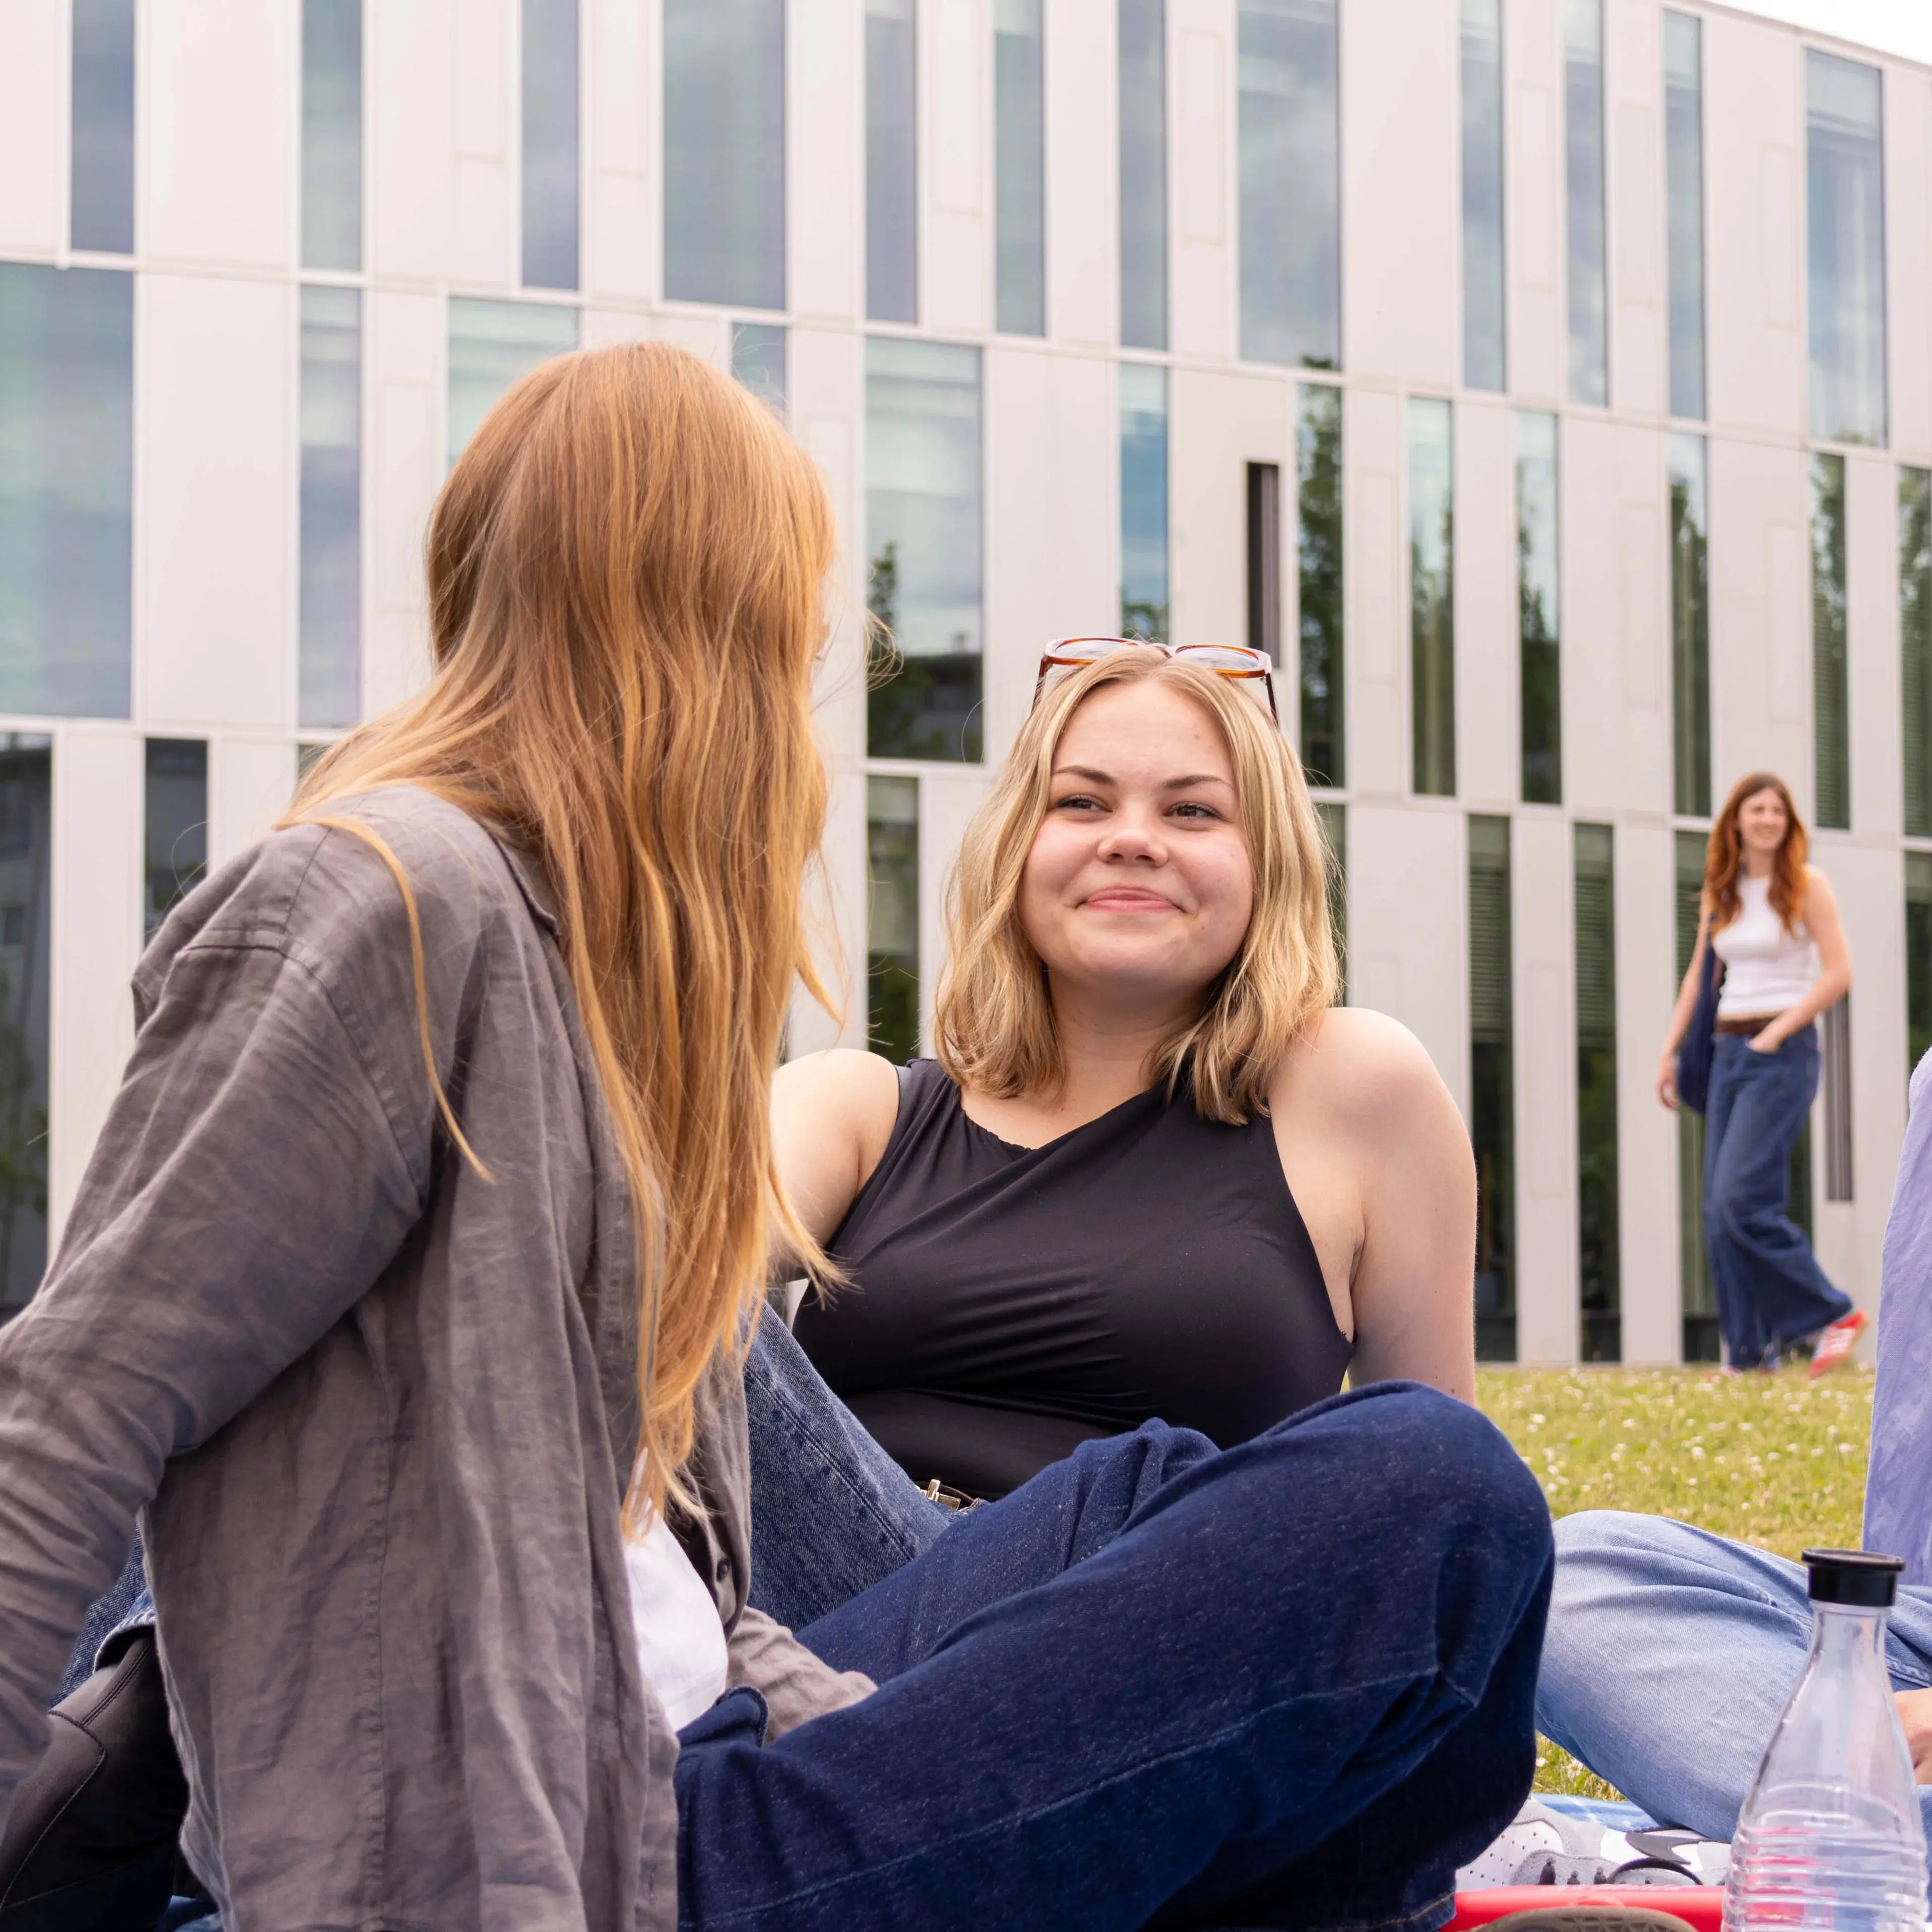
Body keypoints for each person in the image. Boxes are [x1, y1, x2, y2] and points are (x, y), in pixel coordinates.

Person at [0, 345, 1555, 1932]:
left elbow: (663, 1582)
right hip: (610, 1864)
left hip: (715, 1752)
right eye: (798, 640)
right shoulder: (384, 897)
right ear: (693, 629)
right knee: (1434, 1498)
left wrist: (889, 1751)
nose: (806, 707)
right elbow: (70, 1405)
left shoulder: (572, 973)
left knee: (1260, 1490)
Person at [750, 640, 1478, 1621]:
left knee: (1507, 1505)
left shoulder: (1354, 1089)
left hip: (1150, 1637)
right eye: (1082, 801)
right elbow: (637, 1298)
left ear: (1266, 864)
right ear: (1016, 848)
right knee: (667, 1305)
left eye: (1192, 809)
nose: (1132, 838)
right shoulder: (858, 1108)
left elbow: (1431, 1493)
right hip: (846, 1625)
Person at [1537, 1044, 1932, 1863]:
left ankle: (1851, 1833)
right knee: (1566, 1577)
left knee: (1737, 1202)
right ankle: (1863, 1829)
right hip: (1910, 1641)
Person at [1655, 771, 1864, 1373]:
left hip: (1781, 1052)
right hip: (1725, 1053)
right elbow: (1699, 978)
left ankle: (1831, 1314)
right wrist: (1670, 1052)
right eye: (1757, 810)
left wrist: (1777, 1032)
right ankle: (1747, 1355)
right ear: (1737, 822)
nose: (1768, 819)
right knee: (1717, 1213)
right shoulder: (1722, 891)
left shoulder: (1807, 886)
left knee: (1738, 1201)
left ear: (1788, 823)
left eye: (1777, 810)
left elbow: (1838, 972)